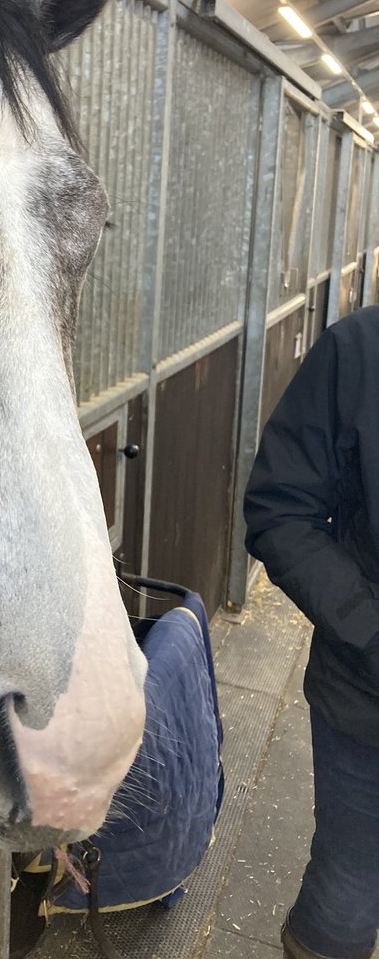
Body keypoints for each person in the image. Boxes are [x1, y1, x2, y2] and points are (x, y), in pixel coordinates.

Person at [245, 303, 379, 959]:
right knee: (347, 897)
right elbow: (280, 508)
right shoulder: (358, 351)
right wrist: (369, 633)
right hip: (367, 704)